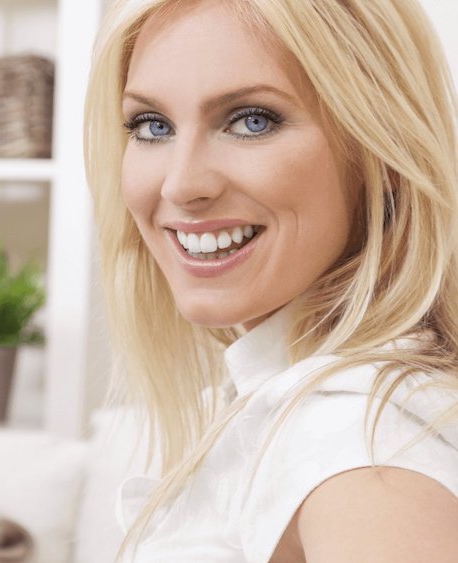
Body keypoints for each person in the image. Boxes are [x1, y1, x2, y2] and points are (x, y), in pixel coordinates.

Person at [84, 0, 458, 561]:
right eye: (152, 125)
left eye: (251, 121)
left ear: (384, 155)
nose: (181, 185)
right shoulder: (299, 402)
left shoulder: (359, 442)